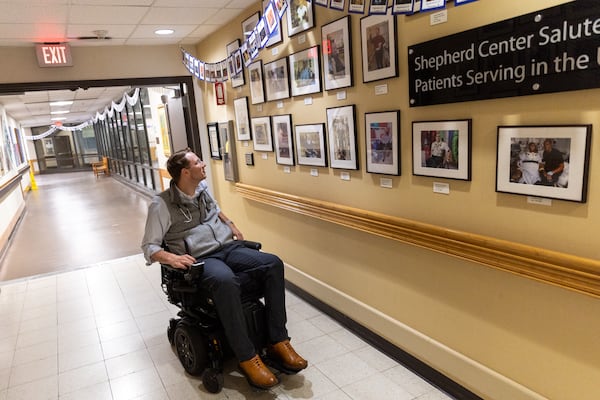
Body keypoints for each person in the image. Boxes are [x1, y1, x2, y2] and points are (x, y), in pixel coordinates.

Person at [141, 149, 307, 390]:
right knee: (226, 281)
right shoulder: (162, 204)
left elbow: (216, 210)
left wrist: (231, 225)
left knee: (272, 263)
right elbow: (149, 246)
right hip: (202, 257)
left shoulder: (202, 189)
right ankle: (247, 357)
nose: (203, 164)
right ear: (186, 172)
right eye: (198, 162)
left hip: (227, 247)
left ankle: (278, 340)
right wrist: (171, 257)